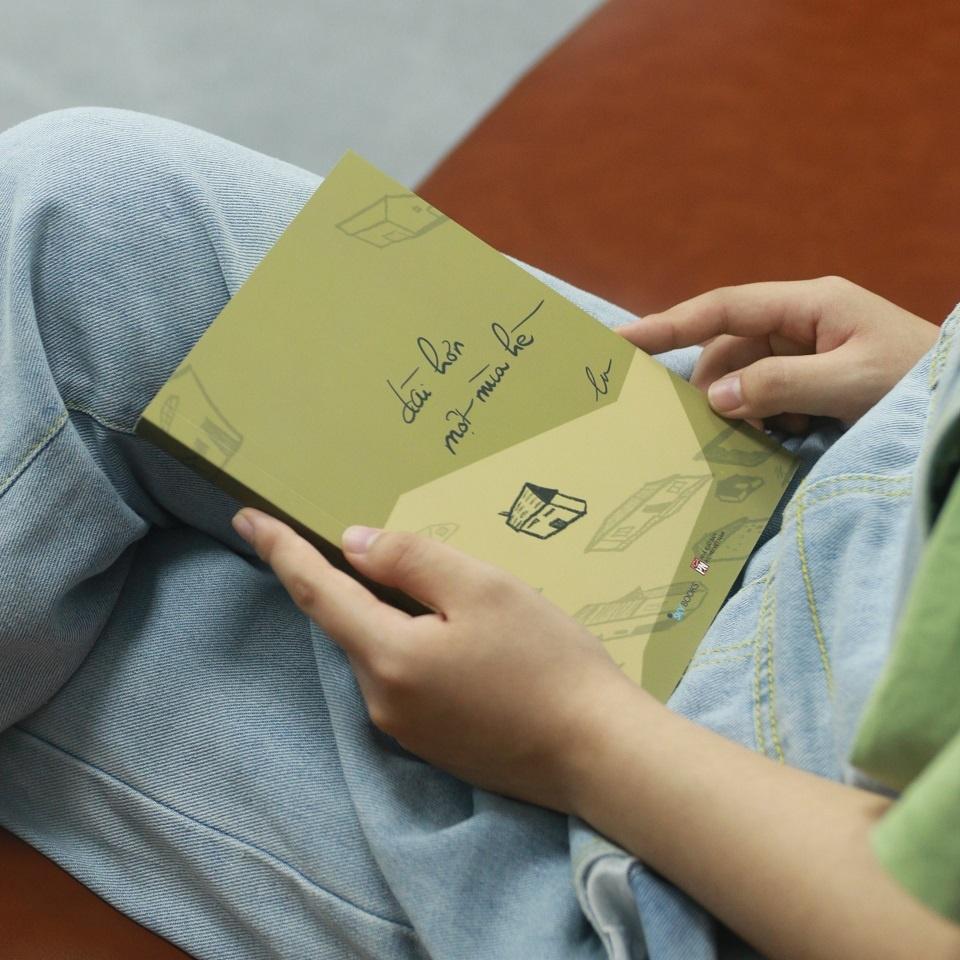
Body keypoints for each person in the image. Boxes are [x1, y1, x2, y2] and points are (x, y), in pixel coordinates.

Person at [0, 107, 957, 960]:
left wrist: (580, 736)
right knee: (88, 206)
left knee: (119, 633)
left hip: (725, 855)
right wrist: (934, 381)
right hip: (867, 498)